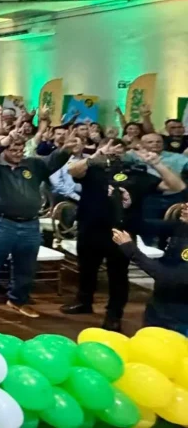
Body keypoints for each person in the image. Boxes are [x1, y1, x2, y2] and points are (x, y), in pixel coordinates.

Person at [62, 140, 185, 331]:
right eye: (110, 149)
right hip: (90, 228)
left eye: (120, 150)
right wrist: (94, 157)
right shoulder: (93, 170)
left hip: (123, 232)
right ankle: (83, 302)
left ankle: (114, 314)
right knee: (87, 269)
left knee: (118, 275)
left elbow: (177, 186)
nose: (115, 153)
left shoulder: (138, 174)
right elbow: (72, 171)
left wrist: (156, 163)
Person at [0, 130, 72, 317]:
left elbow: (53, 161)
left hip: (30, 224)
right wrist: (5, 140)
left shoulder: (33, 164)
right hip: (1, 222)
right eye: (13, 150)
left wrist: (66, 149)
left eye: (21, 150)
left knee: (26, 266)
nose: (18, 153)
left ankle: (17, 300)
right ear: (4, 150)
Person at [112, 204, 188, 334]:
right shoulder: (181, 227)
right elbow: (139, 226)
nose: (184, 205)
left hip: (180, 317)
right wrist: (129, 206)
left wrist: (131, 250)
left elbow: (169, 277)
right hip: (158, 307)